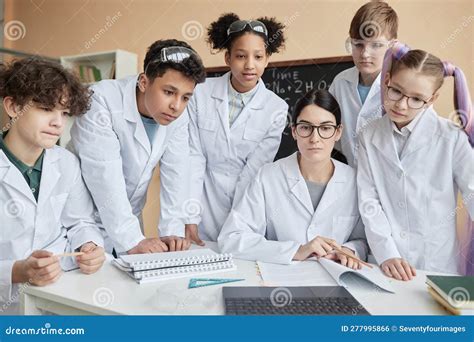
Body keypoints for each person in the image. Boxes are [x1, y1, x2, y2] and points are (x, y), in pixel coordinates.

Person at [69, 39, 206, 254]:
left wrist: (172, 230)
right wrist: (132, 239)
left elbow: (177, 171)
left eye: (186, 97)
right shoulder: (101, 101)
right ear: (144, 82)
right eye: (169, 92)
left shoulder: (177, 115)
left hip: (129, 221)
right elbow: (104, 176)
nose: (176, 106)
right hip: (84, 223)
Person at [358, 42, 474, 279]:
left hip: (436, 263)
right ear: (387, 80)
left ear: (432, 99)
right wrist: (386, 252)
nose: (401, 105)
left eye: (416, 99)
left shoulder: (452, 138)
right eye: (396, 91)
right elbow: (369, 200)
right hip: (385, 263)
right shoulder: (368, 135)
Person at [0, 58, 105, 314]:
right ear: (13, 106)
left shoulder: (66, 162)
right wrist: (16, 271)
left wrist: (88, 246)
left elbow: (80, 221)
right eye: (47, 109)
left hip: (57, 295)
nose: (59, 123)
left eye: (64, 112)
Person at [218, 89, 367, 267]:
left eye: (325, 128)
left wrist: (348, 250)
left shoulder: (354, 181)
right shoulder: (268, 177)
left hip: (336, 278)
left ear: (338, 132)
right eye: (306, 128)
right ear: (294, 131)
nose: (315, 138)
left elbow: (363, 239)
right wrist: (296, 251)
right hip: (281, 281)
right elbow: (232, 239)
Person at [185, 13, 289, 244]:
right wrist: (189, 216)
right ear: (228, 58)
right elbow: (194, 157)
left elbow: (253, 172)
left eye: (258, 56)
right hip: (200, 201)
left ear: (267, 59)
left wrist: (237, 224)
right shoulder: (200, 93)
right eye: (241, 56)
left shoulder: (276, 108)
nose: (249, 65)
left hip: (246, 208)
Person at [329, 1, 398, 167]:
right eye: (358, 44)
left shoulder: (404, 86)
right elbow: (330, 132)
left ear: (392, 46)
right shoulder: (341, 82)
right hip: (352, 178)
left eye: (376, 45)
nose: (365, 54)